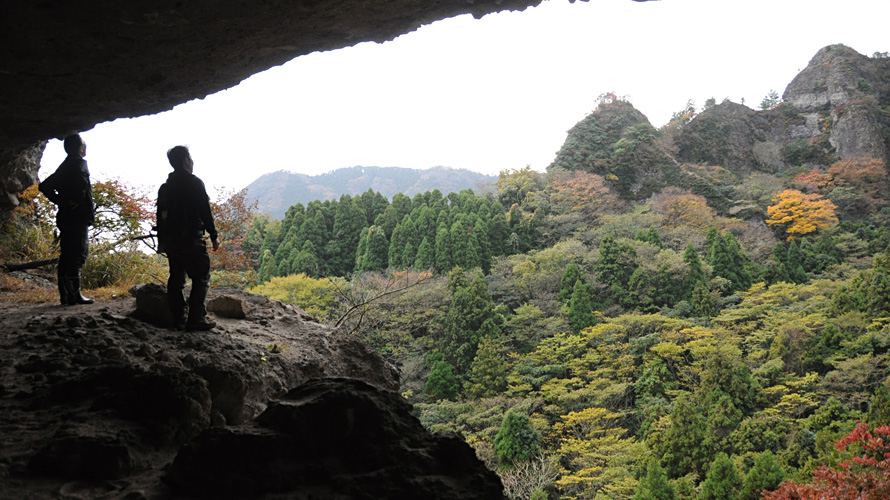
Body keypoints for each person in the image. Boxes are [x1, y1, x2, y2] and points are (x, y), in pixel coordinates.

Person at [156, 145, 220, 331]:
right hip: (192, 239)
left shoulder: (165, 188)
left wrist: (163, 242)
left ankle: (178, 318)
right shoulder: (194, 183)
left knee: (176, 278)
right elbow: (204, 211)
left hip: (172, 241)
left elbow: (160, 216)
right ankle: (196, 318)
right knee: (200, 278)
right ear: (186, 160)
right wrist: (214, 235)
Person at [39, 133, 95, 305]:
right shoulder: (77, 165)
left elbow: (45, 186)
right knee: (77, 255)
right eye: (84, 145)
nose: (85, 148)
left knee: (67, 255)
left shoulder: (66, 165)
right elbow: (79, 192)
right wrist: (69, 203)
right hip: (76, 218)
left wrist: (62, 202)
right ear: (80, 148)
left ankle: (66, 295)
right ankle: (74, 295)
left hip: (67, 216)